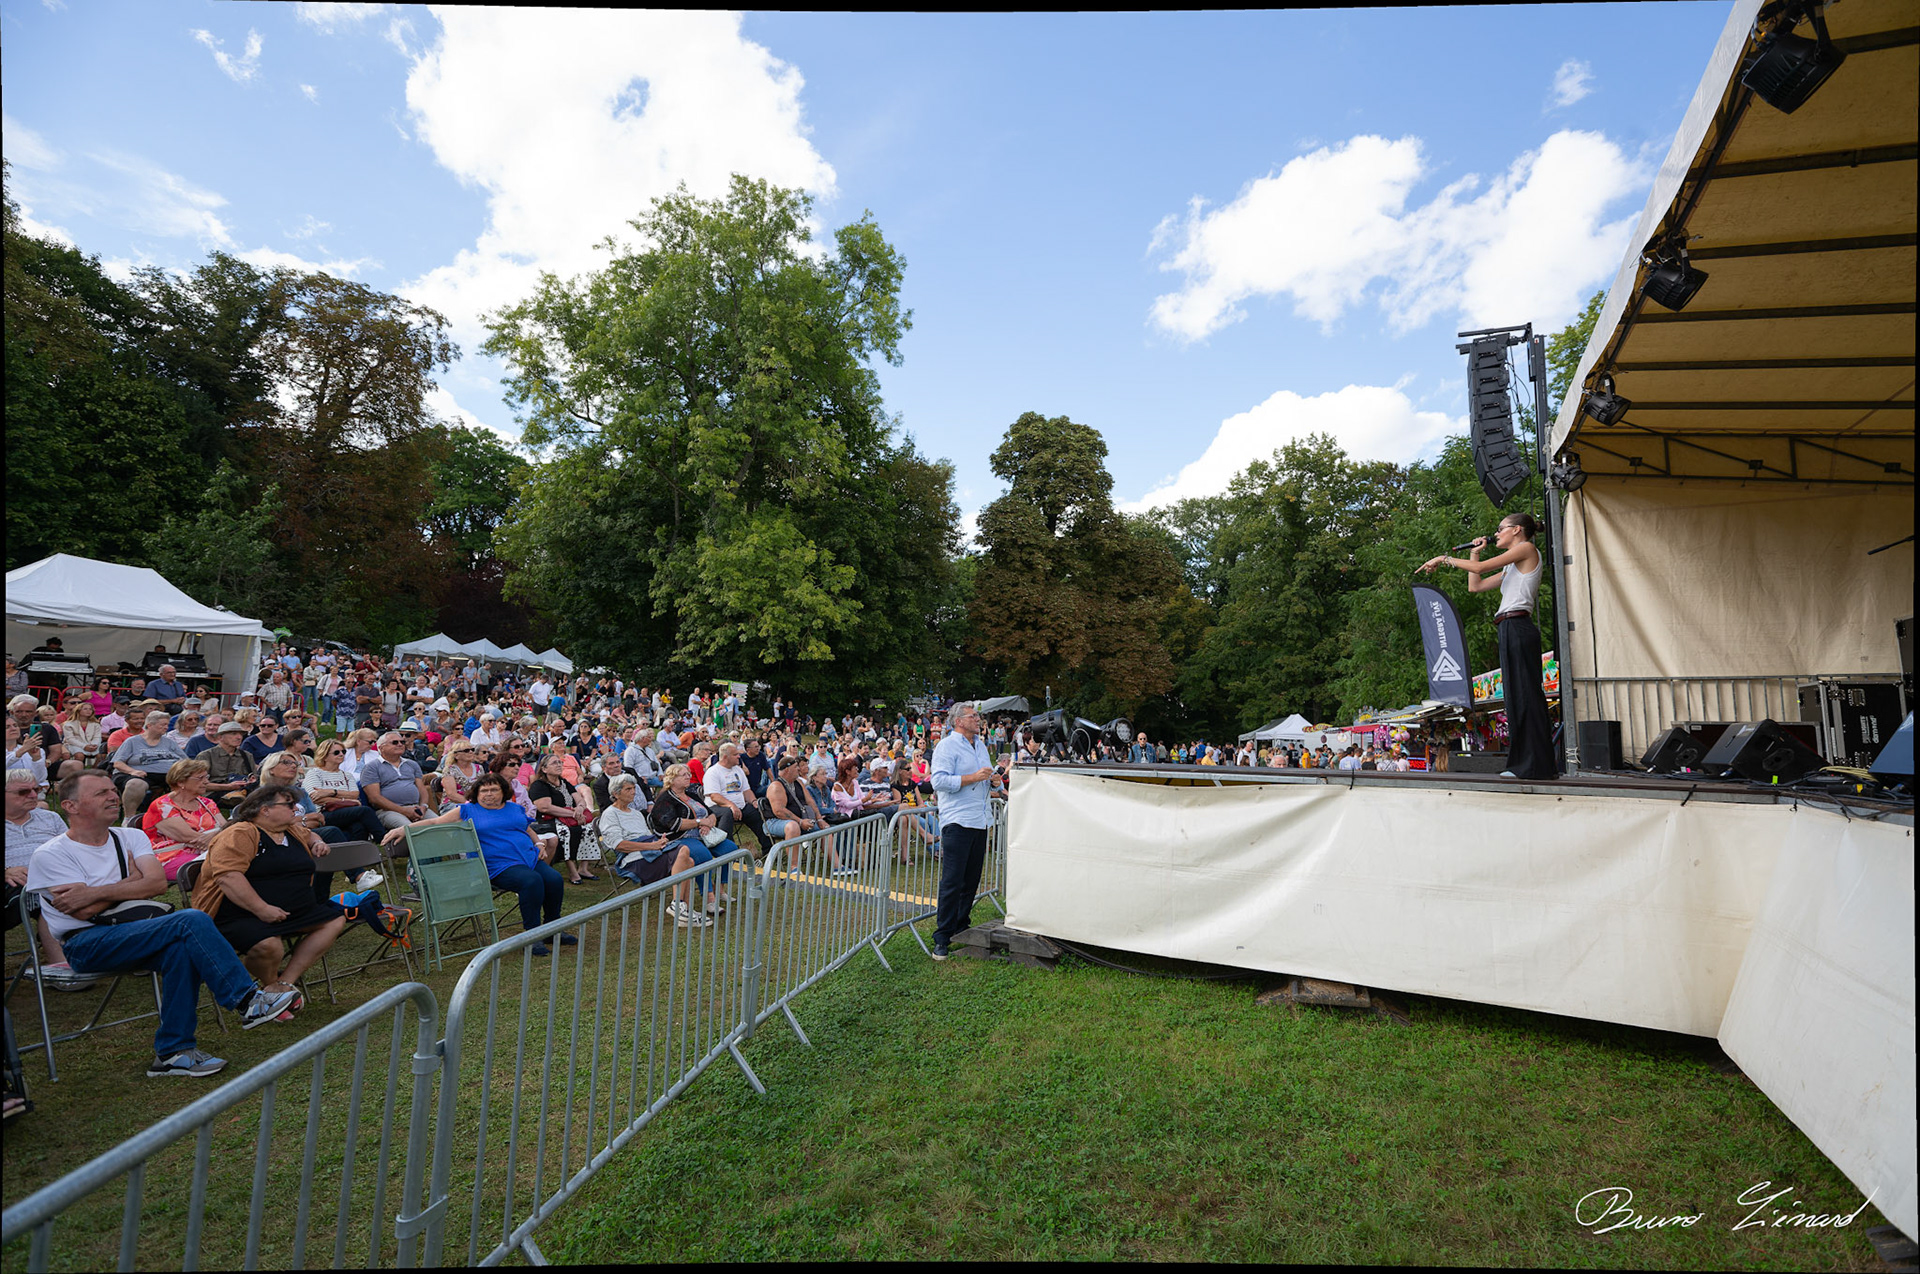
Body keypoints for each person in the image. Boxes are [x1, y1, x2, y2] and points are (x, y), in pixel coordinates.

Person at [26, 771, 301, 1077]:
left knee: (182, 951)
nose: (113, 796)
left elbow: (156, 884)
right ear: (71, 806)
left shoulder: (130, 836)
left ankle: (173, 1053)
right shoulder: (50, 854)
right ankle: (247, 1001)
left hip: (134, 930)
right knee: (190, 921)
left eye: (111, 791)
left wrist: (100, 892)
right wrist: (131, 881)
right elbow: (80, 913)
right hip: (86, 943)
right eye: (100, 793)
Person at [1421, 512, 1556, 780]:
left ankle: (1534, 766)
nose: (1496, 534)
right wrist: (1474, 553)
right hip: (1507, 626)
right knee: (1516, 698)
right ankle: (1524, 765)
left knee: (1526, 695)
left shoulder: (1527, 549)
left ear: (1517, 530)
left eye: (1500, 529)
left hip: (1518, 625)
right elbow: (1477, 585)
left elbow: (1481, 571)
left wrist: (1443, 559)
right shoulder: (1511, 565)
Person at [190, 784, 348, 1009]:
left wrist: (317, 842)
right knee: (269, 946)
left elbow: (309, 833)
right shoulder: (241, 833)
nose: (296, 809)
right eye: (289, 805)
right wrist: (261, 909)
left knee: (334, 920)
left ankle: (284, 983)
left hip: (295, 910)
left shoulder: (289, 830)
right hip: (241, 913)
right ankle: (271, 985)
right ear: (264, 810)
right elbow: (228, 877)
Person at [385, 772, 575, 954]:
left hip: (528, 858)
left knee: (554, 879)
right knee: (531, 881)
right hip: (497, 864)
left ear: (503, 792)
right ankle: (532, 936)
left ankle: (552, 929)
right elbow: (436, 823)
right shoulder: (468, 810)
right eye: (484, 791)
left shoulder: (514, 808)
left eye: (494, 790)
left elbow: (525, 827)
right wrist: (404, 828)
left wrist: (539, 842)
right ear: (476, 793)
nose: (489, 794)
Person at [928, 703, 1001, 962]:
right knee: (952, 881)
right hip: (957, 820)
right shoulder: (946, 746)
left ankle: (961, 925)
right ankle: (942, 936)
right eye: (974, 716)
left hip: (980, 819)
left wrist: (996, 779)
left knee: (971, 879)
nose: (978, 719)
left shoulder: (980, 745)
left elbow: (988, 775)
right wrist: (972, 777)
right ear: (959, 721)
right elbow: (938, 782)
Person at [6, 767, 86, 982]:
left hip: (57, 878)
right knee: (48, 896)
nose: (34, 795)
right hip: (15, 884)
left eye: (37, 789)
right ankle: (61, 967)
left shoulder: (49, 818)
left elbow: (73, 850)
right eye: (23, 792)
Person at [648, 763, 738, 913]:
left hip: (704, 834)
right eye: (684, 775)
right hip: (680, 837)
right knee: (703, 855)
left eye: (689, 774)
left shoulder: (692, 794)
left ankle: (720, 890)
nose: (689, 777)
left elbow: (711, 813)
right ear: (672, 779)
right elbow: (673, 824)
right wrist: (698, 822)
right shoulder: (665, 799)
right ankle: (710, 899)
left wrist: (708, 823)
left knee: (731, 849)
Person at [139, 759, 227, 882]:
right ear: (181, 782)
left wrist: (214, 835)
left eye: (206, 777)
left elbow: (228, 829)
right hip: (171, 856)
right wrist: (220, 834)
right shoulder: (163, 806)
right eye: (200, 778)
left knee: (235, 864)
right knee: (226, 868)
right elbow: (191, 837)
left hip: (210, 851)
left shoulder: (207, 802)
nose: (206, 782)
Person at [110, 710, 192, 823]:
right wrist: (133, 771)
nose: (166, 727)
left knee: (191, 782)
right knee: (135, 784)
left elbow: (186, 761)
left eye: (167, 724)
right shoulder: (132, 741)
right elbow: (118, 763)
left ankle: (185, 816)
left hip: (168, 775)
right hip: (140, 774)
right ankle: (129, 819)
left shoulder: (169, 742)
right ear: (149, 725)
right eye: (162, 724)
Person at [528, 751, 596, 885]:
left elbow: (580, 799)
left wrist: (580, 809)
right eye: (554, 763)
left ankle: (583, 868)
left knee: (588, 828)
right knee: (566, 832)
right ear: (544, 769)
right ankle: (572, 871)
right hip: (549, 819)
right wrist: (573, 813)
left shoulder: (564, 782)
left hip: (572, 817)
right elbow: (545, 808)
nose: (559, 765)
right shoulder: (539, 785)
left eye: (560, 762)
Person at [360, 732, 435, 831]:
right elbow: (374, 798)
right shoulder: (371, 767)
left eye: (402, 742)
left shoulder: (412, 764)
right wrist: (403, 811)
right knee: (410, 829)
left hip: (415, 807)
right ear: (381, 748)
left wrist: (423, 806)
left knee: (442, 824)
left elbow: (422, 789)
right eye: (395, 742)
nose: (400, 744)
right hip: (388, 811)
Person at [203, 720, 260, 809]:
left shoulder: (247, 756)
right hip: (215, 793)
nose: (239, 737)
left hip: (242, 791)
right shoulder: (206, 755)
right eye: (233, 734)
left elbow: (254, 778)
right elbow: (199, 784)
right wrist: (228, 787)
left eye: (241, 734)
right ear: (220, 737)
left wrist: (251, 780)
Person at [60, 699, 106, 772]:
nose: (88, 711)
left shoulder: (96, 724)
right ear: (78, 711)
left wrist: (93, 745)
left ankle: (92, 772)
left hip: (91, 744)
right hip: (74, 745)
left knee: (101, 755)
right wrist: (84, 746)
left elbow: (97, 737)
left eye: (90, 709)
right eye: (85, 709)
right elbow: (70, 739)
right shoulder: (68, 724)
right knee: (79, 755)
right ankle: (77, 773)